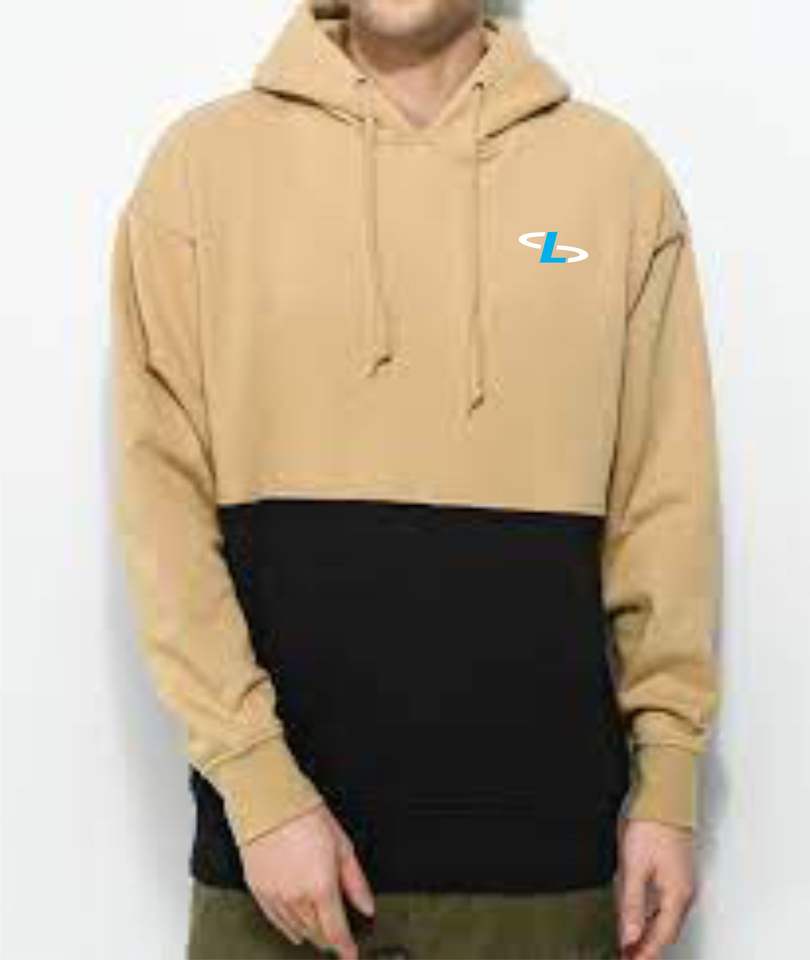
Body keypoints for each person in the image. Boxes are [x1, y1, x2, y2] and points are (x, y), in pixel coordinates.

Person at [109, 1, 722, 958]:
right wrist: (260, 788)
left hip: (544, 870)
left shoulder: (611, 187)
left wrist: (671, 778)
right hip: (280, 877)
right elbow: (163, 515)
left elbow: (663, 500)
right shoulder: (202, 176)